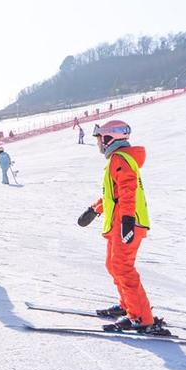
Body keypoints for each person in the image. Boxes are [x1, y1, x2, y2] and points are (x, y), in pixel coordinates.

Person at [77, 120, 168, 335]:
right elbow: (114, 194)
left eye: (100, 138)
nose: (98, 142)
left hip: (127, 222)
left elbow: (129, 190)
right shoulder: (118, 160)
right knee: (113, 265)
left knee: (122, 267)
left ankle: (141, 318)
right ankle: (129, 306)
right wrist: (94, 209)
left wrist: (127, 221)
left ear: (109, 138)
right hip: (119, 222)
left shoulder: (120, 158)